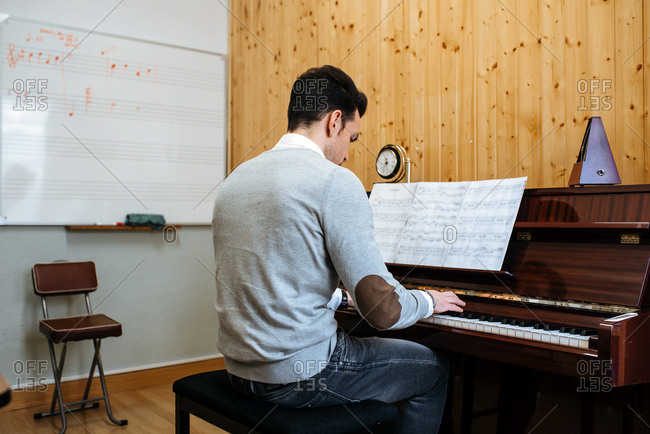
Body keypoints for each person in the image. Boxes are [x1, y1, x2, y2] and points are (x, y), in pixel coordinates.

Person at [212, 65, 465, 433]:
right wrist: (427, 300)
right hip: (298, 377)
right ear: (334, 122)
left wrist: (339, 300)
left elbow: (272, 282)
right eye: (353, 137)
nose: (348, 154)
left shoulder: (236, 180)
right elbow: (383, 311)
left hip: (238, 370)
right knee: (433, 370)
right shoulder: (334, 181)